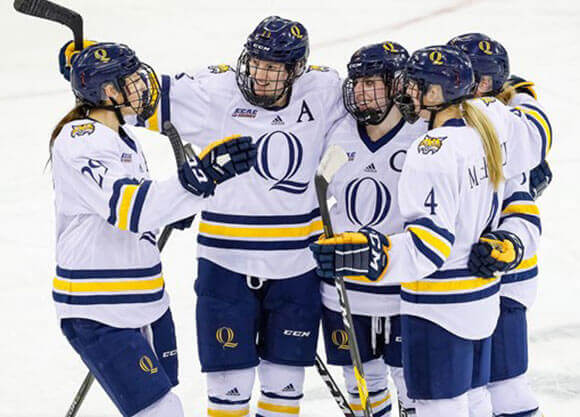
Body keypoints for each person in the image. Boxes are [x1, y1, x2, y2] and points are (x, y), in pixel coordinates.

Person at [58, 16, 346, 417]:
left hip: (295, 265)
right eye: (256, 63)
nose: (260, 76)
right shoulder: (214, 90)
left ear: (297, 69)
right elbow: (144, 97)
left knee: (283, 393)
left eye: (273, 68)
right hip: (223, 263)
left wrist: (179, 200)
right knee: (224, 393)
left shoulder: (326, 89)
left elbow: (373, 114)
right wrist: (91, 69)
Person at [310, 45, 547, 417]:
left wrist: (370, 254)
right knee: (476, 401)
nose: (406, 94)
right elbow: (534, 138)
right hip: (481, 302)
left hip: (438, 307)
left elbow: (430, 247)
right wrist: (522, 95)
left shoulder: (430, 150)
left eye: (414, 86)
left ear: (435, 94)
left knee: (441, 409)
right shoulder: (487, 128)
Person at [51, 42, 256, 417]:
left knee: (163, 402)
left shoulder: (122, 138)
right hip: (100, 307)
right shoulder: (80, 139)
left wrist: (185, 198)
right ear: (106, 92)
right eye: (128, 81)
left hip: (147, 300)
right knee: (162, 411)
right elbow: (130, 209)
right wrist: (196, 180)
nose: (141, 87)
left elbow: (149, 206)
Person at [318, 41, 426, 417]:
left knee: (410, 383)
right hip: (344, 290)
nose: (362, 92)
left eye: (373, 83)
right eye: (358, 82)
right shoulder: (338, 133)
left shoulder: (424, 136)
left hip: (403, 288)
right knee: (362, 386)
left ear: (398, 85)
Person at [449, 33, 550, 417]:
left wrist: (508, 247)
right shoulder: (456, 120)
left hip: (505, 277)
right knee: (472, 392)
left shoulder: (503, 125)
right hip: (467, 278)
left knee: (505, 389)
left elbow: (521, 205)